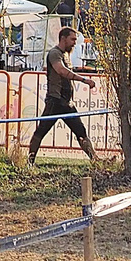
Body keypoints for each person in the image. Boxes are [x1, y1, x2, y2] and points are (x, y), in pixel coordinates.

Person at [27, 26, 98, 164]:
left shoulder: (66, 54)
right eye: (72, 39)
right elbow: (61, 71)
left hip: (66, 103)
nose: (74, 43)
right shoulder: (54, 53)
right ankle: (30, 162)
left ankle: (95, 160)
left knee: (81, 131)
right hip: (55, 101)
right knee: (41, 132)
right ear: (63, 38)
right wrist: (84, 80)